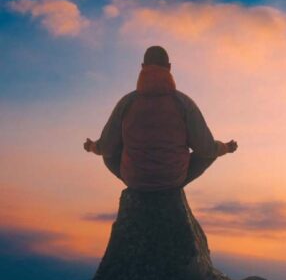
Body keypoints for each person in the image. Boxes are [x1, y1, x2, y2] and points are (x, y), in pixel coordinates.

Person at [83, 46, 237, 190]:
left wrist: (91, 147)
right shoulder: (184, 103)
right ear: (169, 67)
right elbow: (206, 148)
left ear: (142, 67)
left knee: (108, 156)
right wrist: (225, 148)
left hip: (135, 179)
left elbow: (106, 147)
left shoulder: (127, 102)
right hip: (173, 179)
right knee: (210, 153)